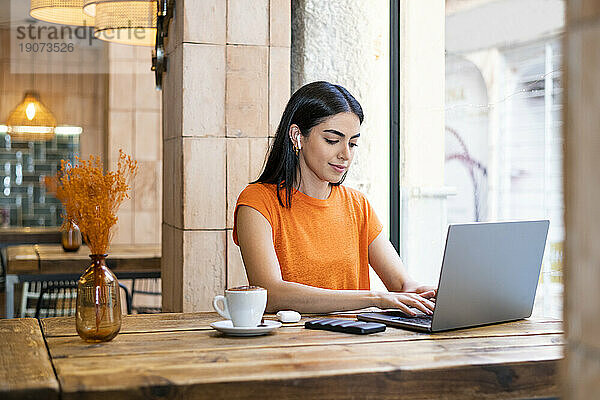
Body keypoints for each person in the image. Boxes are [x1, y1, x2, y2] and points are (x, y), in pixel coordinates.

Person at [233, 81, 436, 315]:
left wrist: (427, 294)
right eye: (332, 140)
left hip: (353, 344)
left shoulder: (357, 205)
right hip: (289, 346)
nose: (345, 155)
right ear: (297, 135)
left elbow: (401, 285)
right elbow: (270, 293)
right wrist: (375, 298)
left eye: (353, 143)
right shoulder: (257, 202)